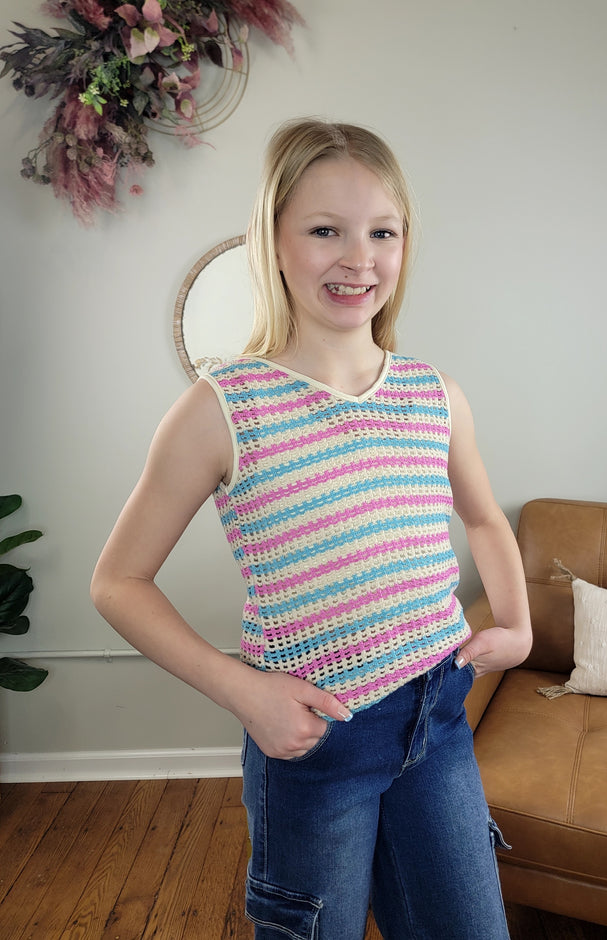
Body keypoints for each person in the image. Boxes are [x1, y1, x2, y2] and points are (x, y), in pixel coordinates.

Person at [91, 117, 532, 940]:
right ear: (275, 240)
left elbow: (481, 515)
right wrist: (244, 691)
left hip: (438, 719)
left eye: (382, 232)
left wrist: (515, 623)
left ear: (405, 245)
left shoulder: (433, 394)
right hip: (315, 742)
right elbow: (116, 582)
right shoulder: (224, 407)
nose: (357, 257)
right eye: (325, 229)